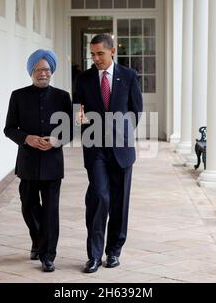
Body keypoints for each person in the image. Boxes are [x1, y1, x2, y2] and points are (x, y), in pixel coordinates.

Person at [73, 34, 143, 273]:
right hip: (95, 149)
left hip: (121, 149)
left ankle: (113, 252)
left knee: (120, 202)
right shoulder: (83, 79)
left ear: (112, 51)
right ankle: (93, 255)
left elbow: (136, 111)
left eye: (100, 54)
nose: (95, 59)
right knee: (100, 197)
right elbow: (77, 108)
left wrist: (121, 133)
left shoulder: (130, 76)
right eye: (92, 54)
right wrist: (78, 118)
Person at [4, 49, 72, 272]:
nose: (43, 73)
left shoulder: (63, 97)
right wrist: (27, 139)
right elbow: (9, 129)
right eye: (38, 69)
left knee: (51, 210)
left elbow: (70, 129)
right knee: (28, 207)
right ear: (31, 71)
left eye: (46, 69)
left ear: (52, 71)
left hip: (53, 163)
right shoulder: (18, 96)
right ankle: (38, 240)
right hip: (28, 163)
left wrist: (56, 140)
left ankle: (48, 255)